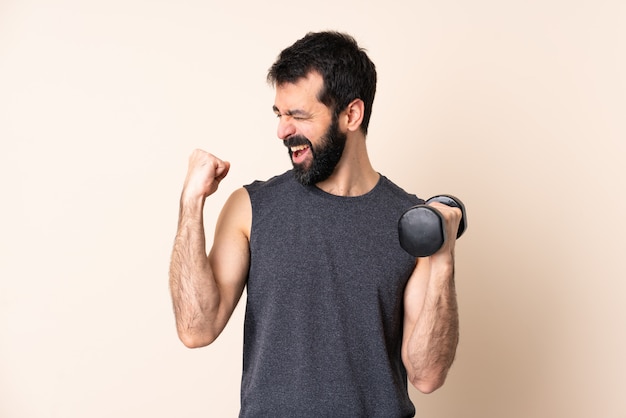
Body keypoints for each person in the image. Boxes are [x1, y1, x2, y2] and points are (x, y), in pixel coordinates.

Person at [169, 31, 461, 417]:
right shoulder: (251, 209)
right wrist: (191, 203)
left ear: (351, 114)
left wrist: (442, 257)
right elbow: (195, 328)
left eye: (299, 115)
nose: (282, 130)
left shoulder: (411, 223)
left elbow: (427, 374)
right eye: (279, 114)